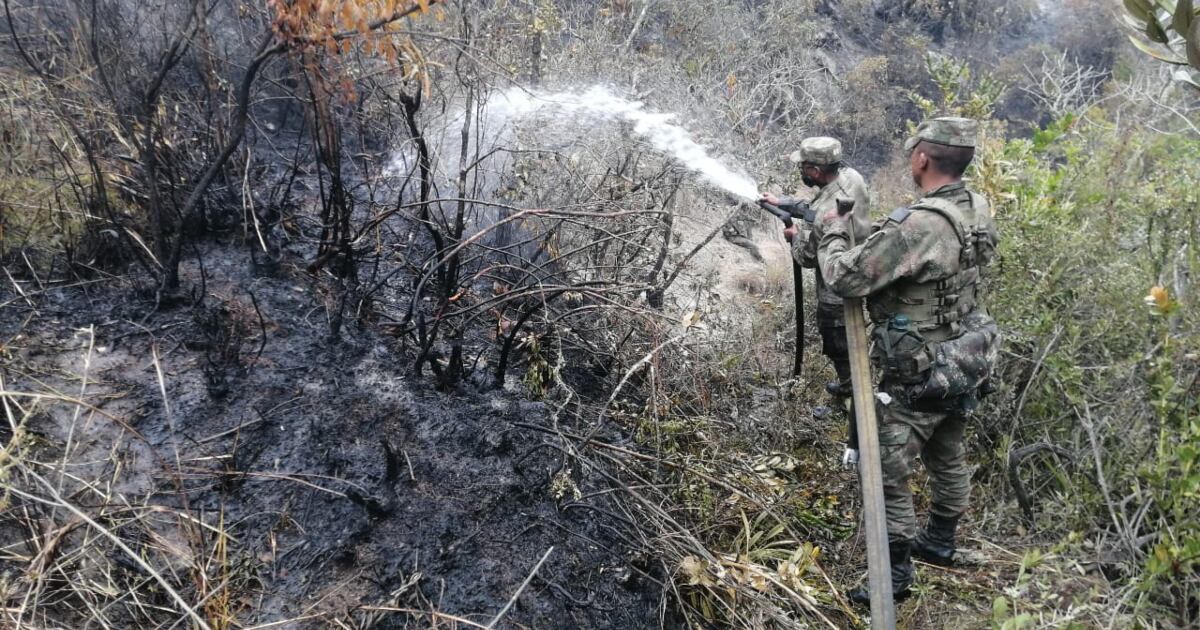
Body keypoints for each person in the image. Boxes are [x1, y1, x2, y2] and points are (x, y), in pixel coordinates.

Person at [810, 118, 1001, 604]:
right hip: (963, 358)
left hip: (917, 369)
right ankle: (939, 541)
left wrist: (832, 230)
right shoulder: (976, 207)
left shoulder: (920, 224)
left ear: (921, 159)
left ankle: (893, 575)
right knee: (948, 452)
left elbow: (845, 279)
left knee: (887, 470)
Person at [760, 137, 872, 466]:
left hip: (837, 288)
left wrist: (795, 239)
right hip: (860, 267)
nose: (801, 171)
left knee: (839, 342)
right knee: (847, 343)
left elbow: (809, 256)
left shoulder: (826, 215)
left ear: (815, 169)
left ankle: (853, 400)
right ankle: (848, 387)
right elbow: (818, 208)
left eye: (804, 167)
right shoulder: (851, 179)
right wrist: (784, 202)